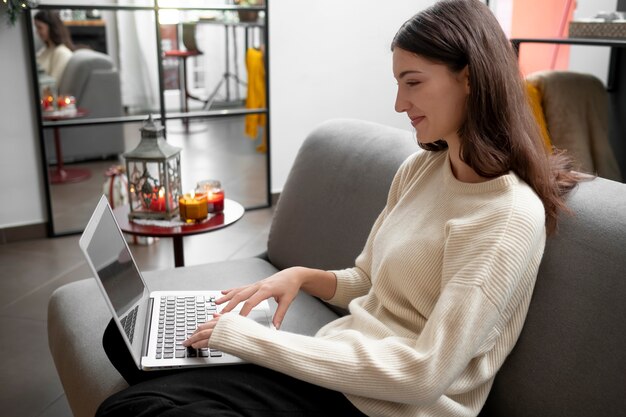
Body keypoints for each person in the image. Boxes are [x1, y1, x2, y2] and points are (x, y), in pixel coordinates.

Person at [97, 1, 581, 416]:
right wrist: (301, 277)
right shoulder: (421, 170)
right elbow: (367, 281)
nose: (398, 104)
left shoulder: (505, 216)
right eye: (398, 83)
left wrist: (249, 340)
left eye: (412, 82)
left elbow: (423, 374)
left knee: (131, 407)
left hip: (389, 405)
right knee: (125, 340)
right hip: (343, 363)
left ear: (471, 78)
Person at [34, 10, 74, 86]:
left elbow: (53, 86)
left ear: (52, 27)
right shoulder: (45, 50)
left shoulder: (61, 52)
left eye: (40, 27)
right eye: (36, 27)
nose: (37, 32)